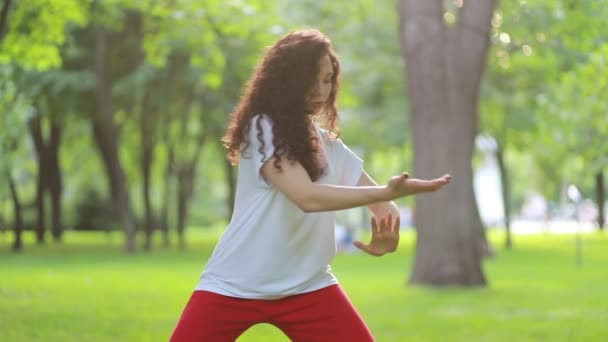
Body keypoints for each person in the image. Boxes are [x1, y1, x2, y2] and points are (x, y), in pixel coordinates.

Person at [170, 29, 451, 342]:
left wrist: (389, 231)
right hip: (236, 282)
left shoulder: (330, 145)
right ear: (286, 79)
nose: (321, 89)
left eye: (328, 79)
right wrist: (385, 192)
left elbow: (383, 205)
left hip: (307, 286)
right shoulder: (262, 128)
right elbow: (306, 196)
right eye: (311, 79)